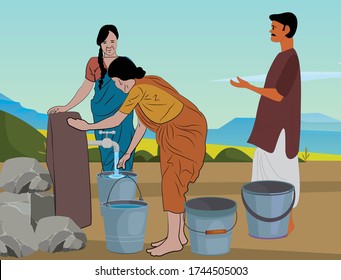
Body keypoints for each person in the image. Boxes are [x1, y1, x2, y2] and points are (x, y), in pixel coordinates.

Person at [67, 57, 207, 256]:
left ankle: (174, 240)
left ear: (124, 78)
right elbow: (142, 125)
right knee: (174, 183)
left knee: (172, 183)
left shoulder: (138, 90)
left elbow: (117, 119)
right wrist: (128, 152)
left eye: (116, 81)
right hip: (176, 129)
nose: (116, 85)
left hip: (182, 130)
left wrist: (87, 127)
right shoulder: (147, 83)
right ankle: (179, 235)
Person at [230, 12, 301, 235]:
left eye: (274, 27)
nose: (270, 30)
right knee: (263, 171)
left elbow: (279, 95)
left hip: (280, 131)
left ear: (286, 30)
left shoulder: (290, 58)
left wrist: (249, 87)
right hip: (269, 127)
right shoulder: (281, 57)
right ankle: (270, 222)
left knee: (280, 174)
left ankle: (285, 221)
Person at [47, 25, 135, 171]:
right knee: (106, 149)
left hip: (124, 114)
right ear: (100, 44)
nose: (109, 46)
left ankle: (124, 189)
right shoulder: (93, 63)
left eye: (112, 41)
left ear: (117, 41)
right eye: (105, 42)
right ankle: (109, 185)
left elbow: (133, 90)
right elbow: (85, 88)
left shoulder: (125, 63)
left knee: (125, 151)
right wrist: (66, 107)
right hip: (101, 113)